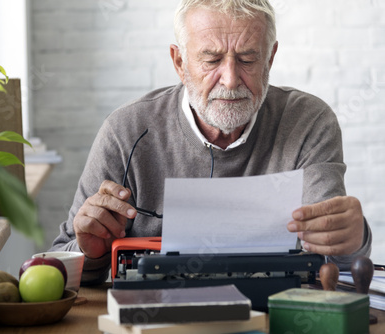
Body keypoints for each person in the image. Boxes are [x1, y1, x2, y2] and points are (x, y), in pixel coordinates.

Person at [50, 0, 372, 284]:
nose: (230, 80)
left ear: (270, 60)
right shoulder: (126, 130)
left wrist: (353, 240)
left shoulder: (308, 122)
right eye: (211, 60)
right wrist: (89, 254)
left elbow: (334, 266)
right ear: (179, 62)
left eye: (247, 59)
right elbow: (58, 260)